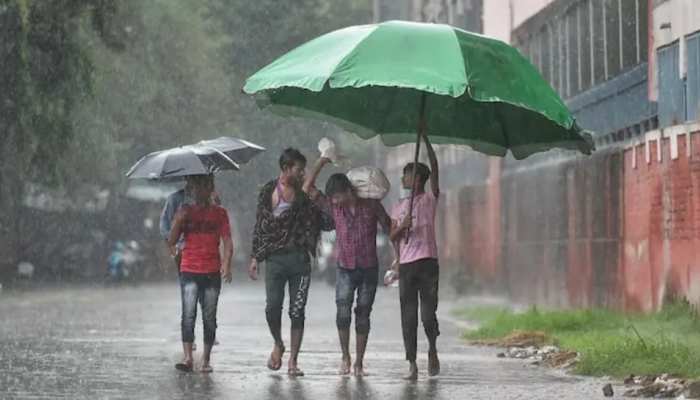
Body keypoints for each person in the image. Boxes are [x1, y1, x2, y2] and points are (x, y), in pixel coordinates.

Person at [248, 148, 334, 377]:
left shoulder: (305, 197)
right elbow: (260, 225)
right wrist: (255, 257)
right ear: (286, 169)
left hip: (299, 260)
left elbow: (325, 220)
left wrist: (318, 187)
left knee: (297, 312)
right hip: (275, 260)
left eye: (303, 170)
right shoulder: (269, 191)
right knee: (272, 308)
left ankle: (293, 361)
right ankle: (278, 343)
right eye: (299, 169)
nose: (302, 173)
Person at [303, 158, 392, 377]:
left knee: (363, 314)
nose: (334, 201)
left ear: (347, 191)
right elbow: (307, 189)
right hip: (344, 268)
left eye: (336, 196)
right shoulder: (334, 208)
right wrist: (322, 160)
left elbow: (391, 229)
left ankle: (359, 362)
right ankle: (345, 356)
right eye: (332, 198)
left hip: (369, 268)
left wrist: (398, 258)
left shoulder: (372, 206)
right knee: (343, 313)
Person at [389, 131, 441, 381]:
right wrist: (403, 225)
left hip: (428, 263)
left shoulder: (430, 199)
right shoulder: (399, 206)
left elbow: (435, 167)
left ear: (418, 178)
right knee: (408, 316)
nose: (403, 178)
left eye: (407, 174)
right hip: (408, 266)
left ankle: (432, 347)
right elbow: (392, 237)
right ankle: (411, 363)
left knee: (427, 315)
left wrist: (426, 138)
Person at [168, 174, 233, 373]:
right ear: (192, 189)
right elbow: (172, 240)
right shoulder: (184, 211)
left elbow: (228, 241)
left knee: (209, 317)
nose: (200, 190)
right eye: (197, 186)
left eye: (205, 186)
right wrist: (178, 221)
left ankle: (205, 359)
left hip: (212, 272)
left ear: (211, 188)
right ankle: (188, 358)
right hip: (189, 269)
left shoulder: (220, 213)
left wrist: (226, 264)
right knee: (188, 315)